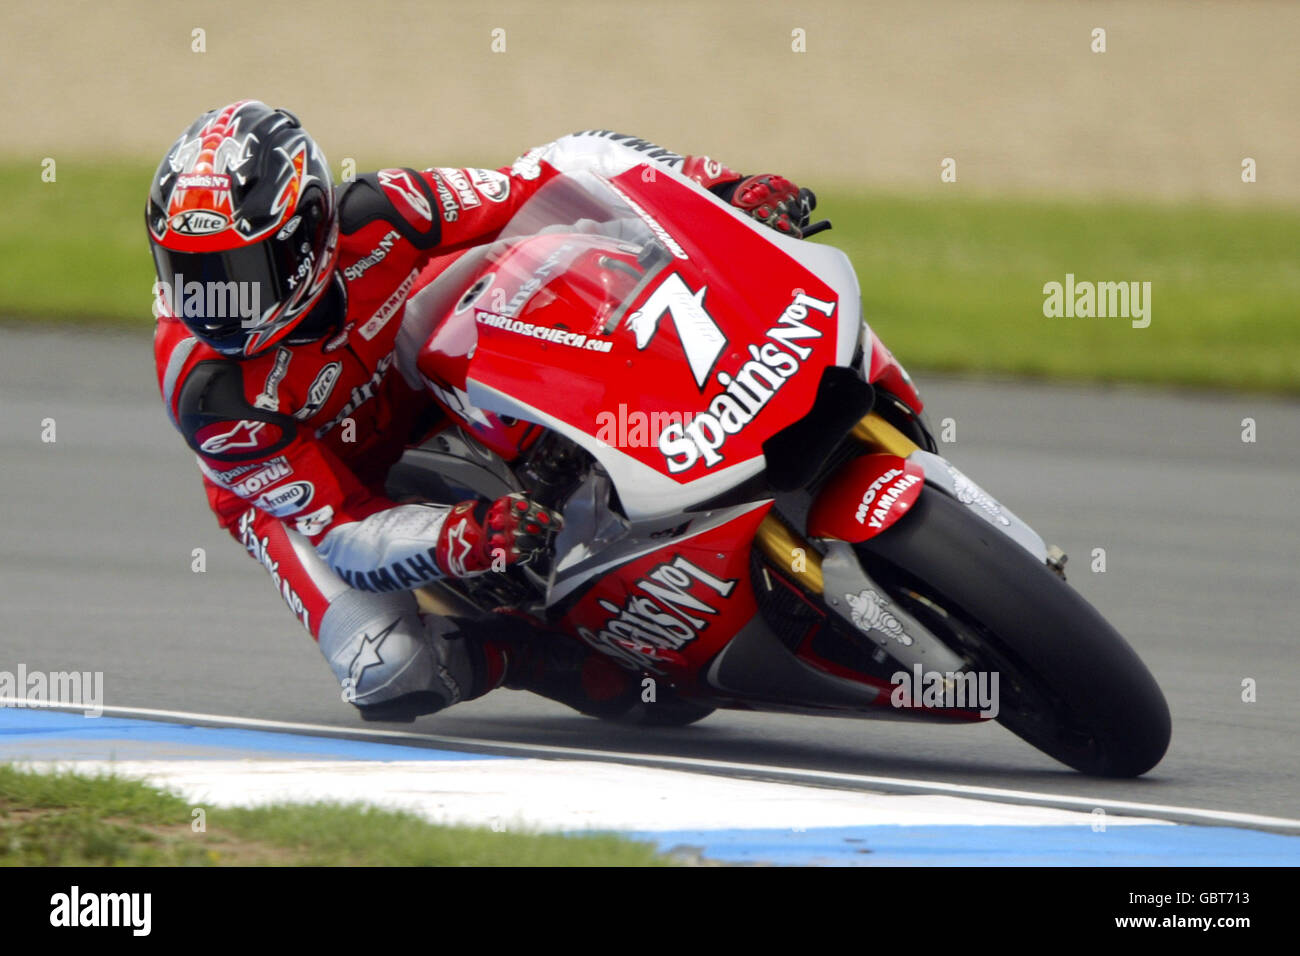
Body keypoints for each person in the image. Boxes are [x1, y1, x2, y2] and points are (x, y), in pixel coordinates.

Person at [149, 100, 815, 722]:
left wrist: (716, 191)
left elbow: (551, 175)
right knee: (388, 672)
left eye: (237, 272)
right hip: (307, 488)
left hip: (399, 363)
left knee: (560, 199)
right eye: (189, 275)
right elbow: (347, 532)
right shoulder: (215, 395)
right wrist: (460, 541)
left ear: (308, 229)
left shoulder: (383, 212)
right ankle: (518, 652)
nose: (213, 305)